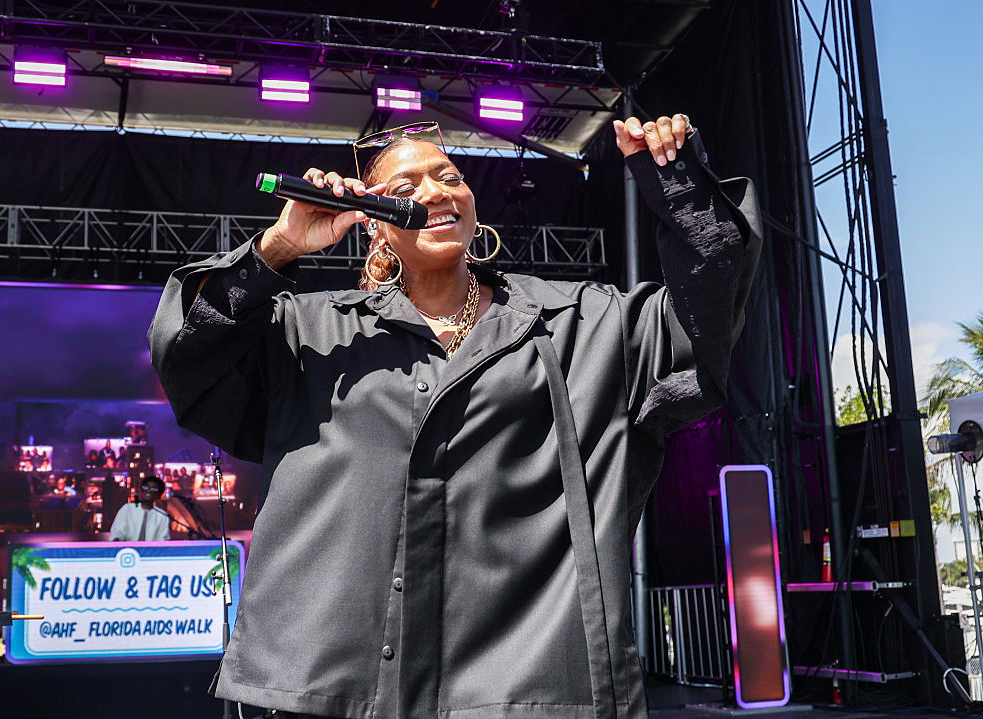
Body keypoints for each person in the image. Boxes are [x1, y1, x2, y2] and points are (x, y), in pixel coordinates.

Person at [149, 114, 761, 718]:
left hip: (521, 690)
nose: (435, 192)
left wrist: (678, 185)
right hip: (333, 690)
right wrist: (279, 248)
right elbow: (189, 361)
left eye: (449, 177)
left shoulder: (580, 324)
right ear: (377, 228)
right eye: (405, 189)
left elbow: (701, 325)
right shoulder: (311, 333)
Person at [109, 475, 170, 541]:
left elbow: (162, 539)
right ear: (141, 490)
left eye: (153, 489)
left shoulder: (162, 515)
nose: (148, 491)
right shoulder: (127, 509)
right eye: (145, 487)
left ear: (158, 495)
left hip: (151, 551)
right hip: (128, 550)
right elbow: (117, 531)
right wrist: (116, 541)